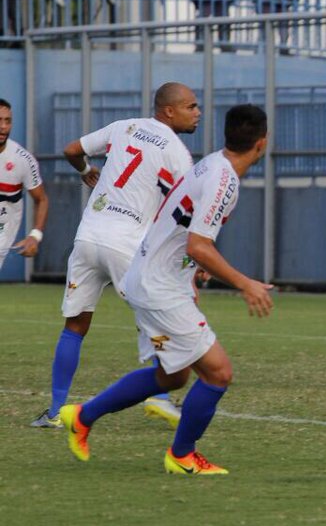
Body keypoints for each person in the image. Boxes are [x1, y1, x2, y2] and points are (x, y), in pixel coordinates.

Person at [59, 105, 274, 476]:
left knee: (173, 377)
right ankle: (182, 455)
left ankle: (82, 415)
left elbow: (185, 232)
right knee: (218, 373)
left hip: (152, 276)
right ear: (262, 143)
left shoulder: (211, 165)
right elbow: (198, 245)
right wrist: (245, 284)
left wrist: (196, 267)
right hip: (160, 286)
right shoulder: (224, 180)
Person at [29, 83, 201, 429]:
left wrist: (84, 171)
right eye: (192, 106)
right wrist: (194, 258)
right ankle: (161, 397)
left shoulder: (125, 127)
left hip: (89, 237)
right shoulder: (177, 152)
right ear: (169, 111)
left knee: (75, 326)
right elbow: (185, 211)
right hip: (128, 245)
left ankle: (54, 412)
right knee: (159, 315)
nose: (198, 113)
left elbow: (71, 149)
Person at [0, 98, 48, 270]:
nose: (4, 127)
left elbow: (41, 199)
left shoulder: (23, 159)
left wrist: (35, 235)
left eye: (8, 121)